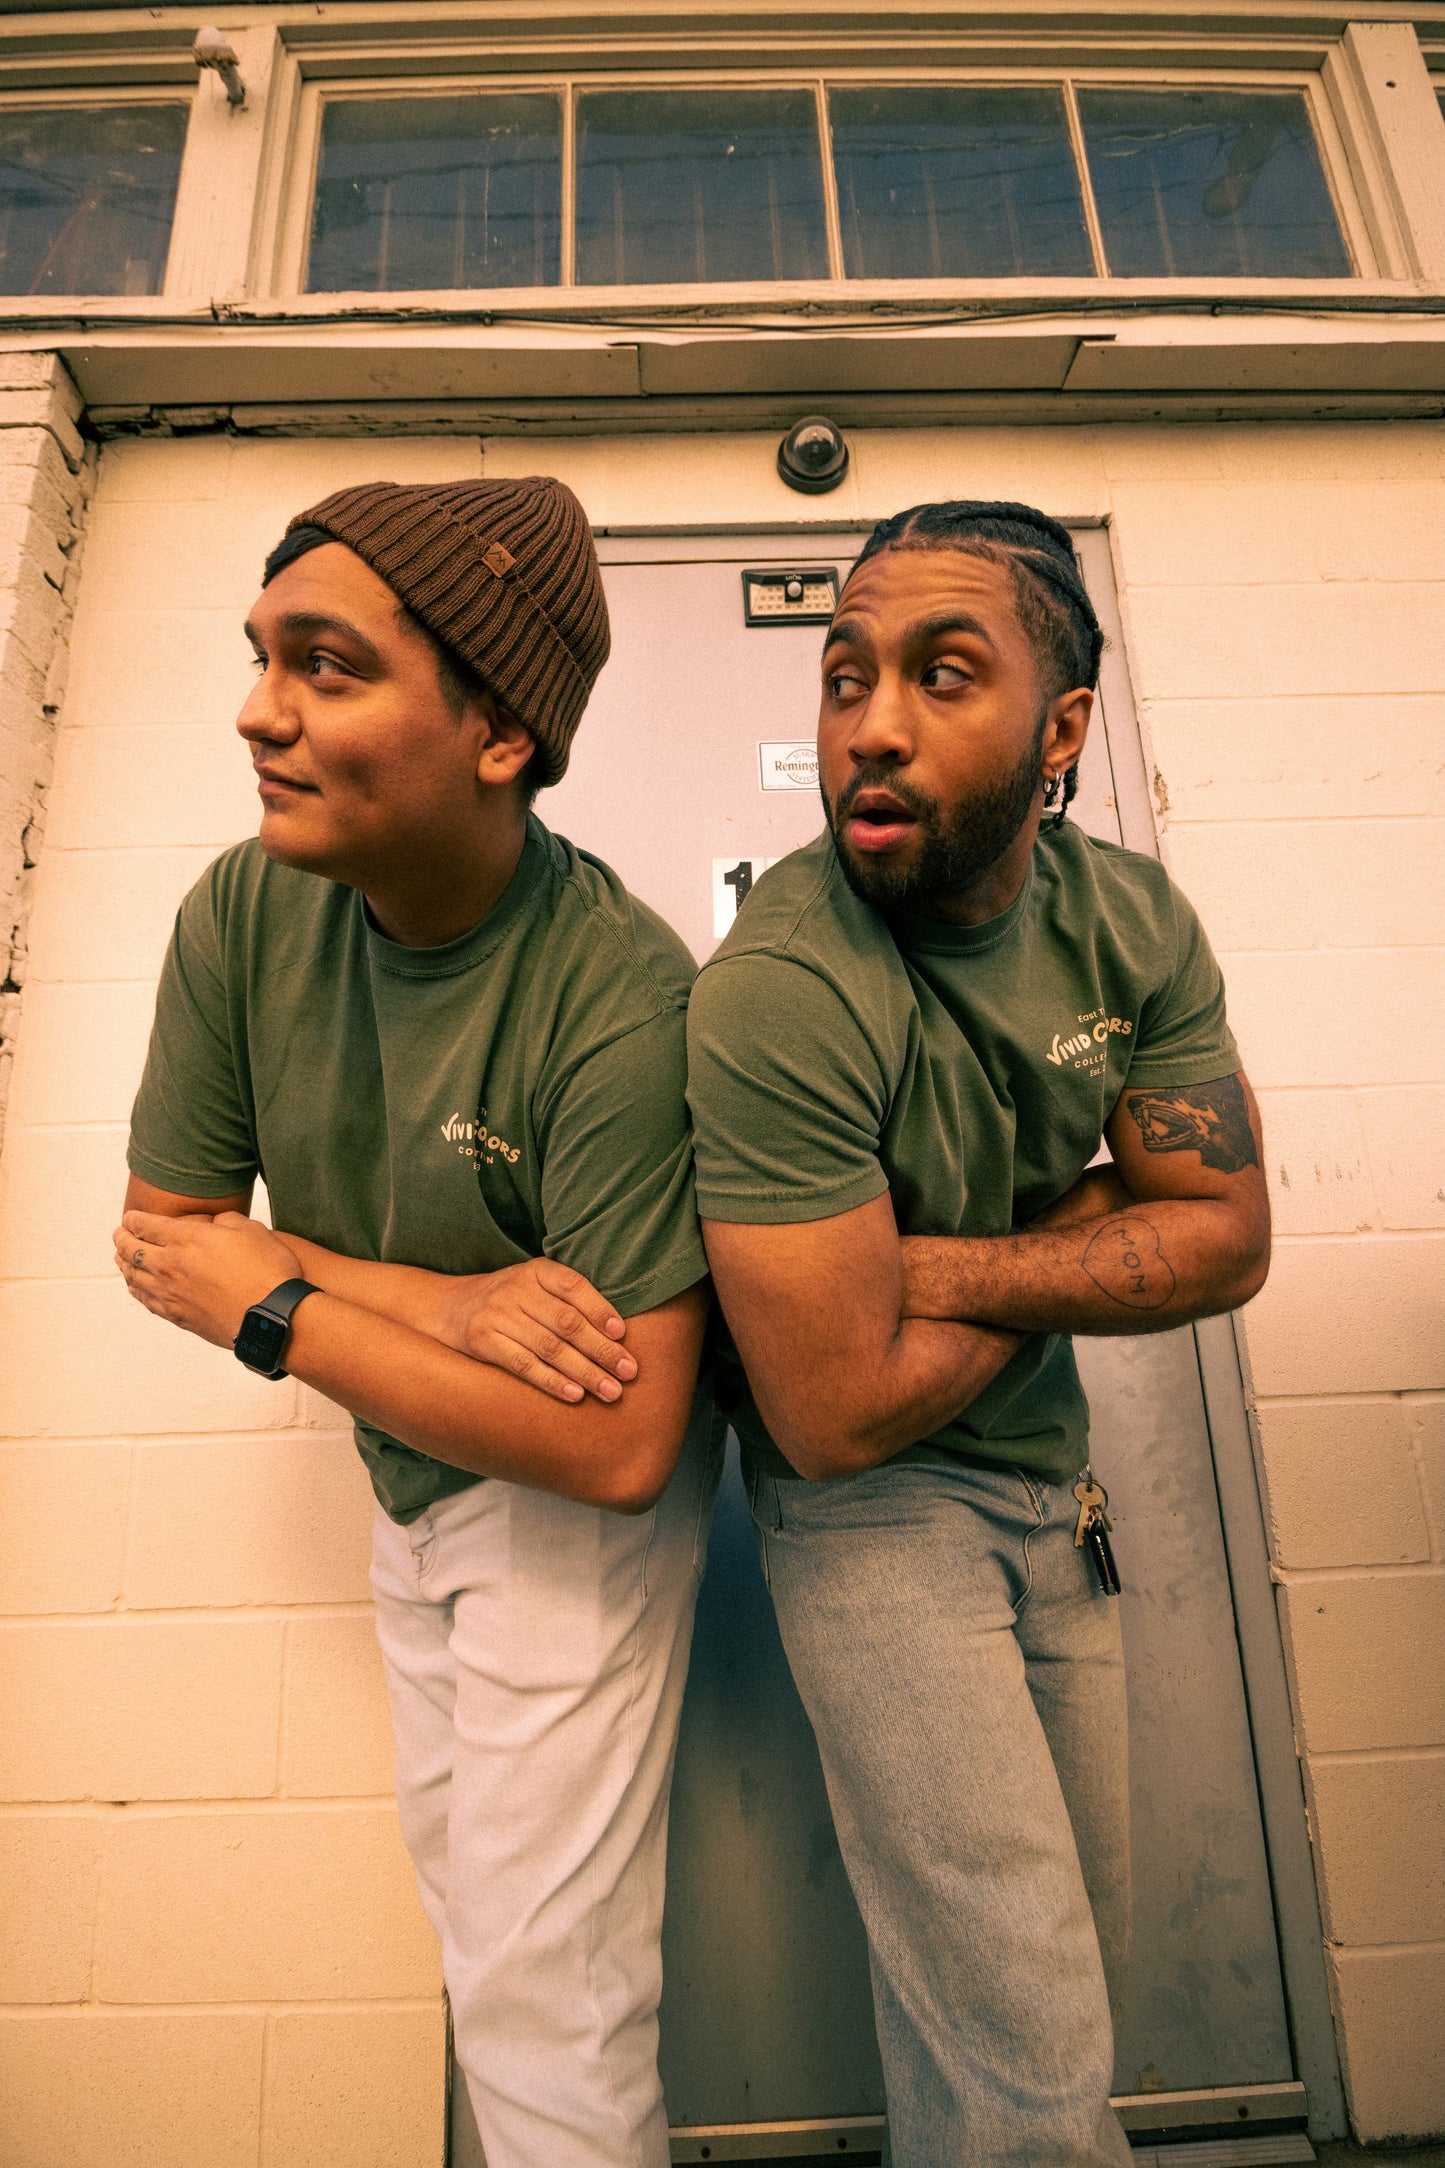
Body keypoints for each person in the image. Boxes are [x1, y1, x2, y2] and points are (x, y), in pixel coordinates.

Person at [114, 478, 718, 2168]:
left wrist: (284, 1301)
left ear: (500, 733)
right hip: (413, 1471)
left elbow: (619, 1441)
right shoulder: (244, 910)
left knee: (545, 1994)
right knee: (484, 1932)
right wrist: (431, 1298)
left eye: (327, 666)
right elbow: (170, 1239)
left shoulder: (619, 991)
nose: (258, 711)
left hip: (561, 1515)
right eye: (260, 659)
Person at [685, 500, 1271, 2168]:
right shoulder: (782, 987)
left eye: (945, 675)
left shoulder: (1130, 924)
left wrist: (925, 1269)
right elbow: (829, 1411)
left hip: (1051, 1498)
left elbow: (1224, 1237)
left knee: (1044, 1968)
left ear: (1060, 727)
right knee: (1018, 2014)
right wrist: (1091, 1224)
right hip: (872, 1518)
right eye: (846, 675)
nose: (871, 724)